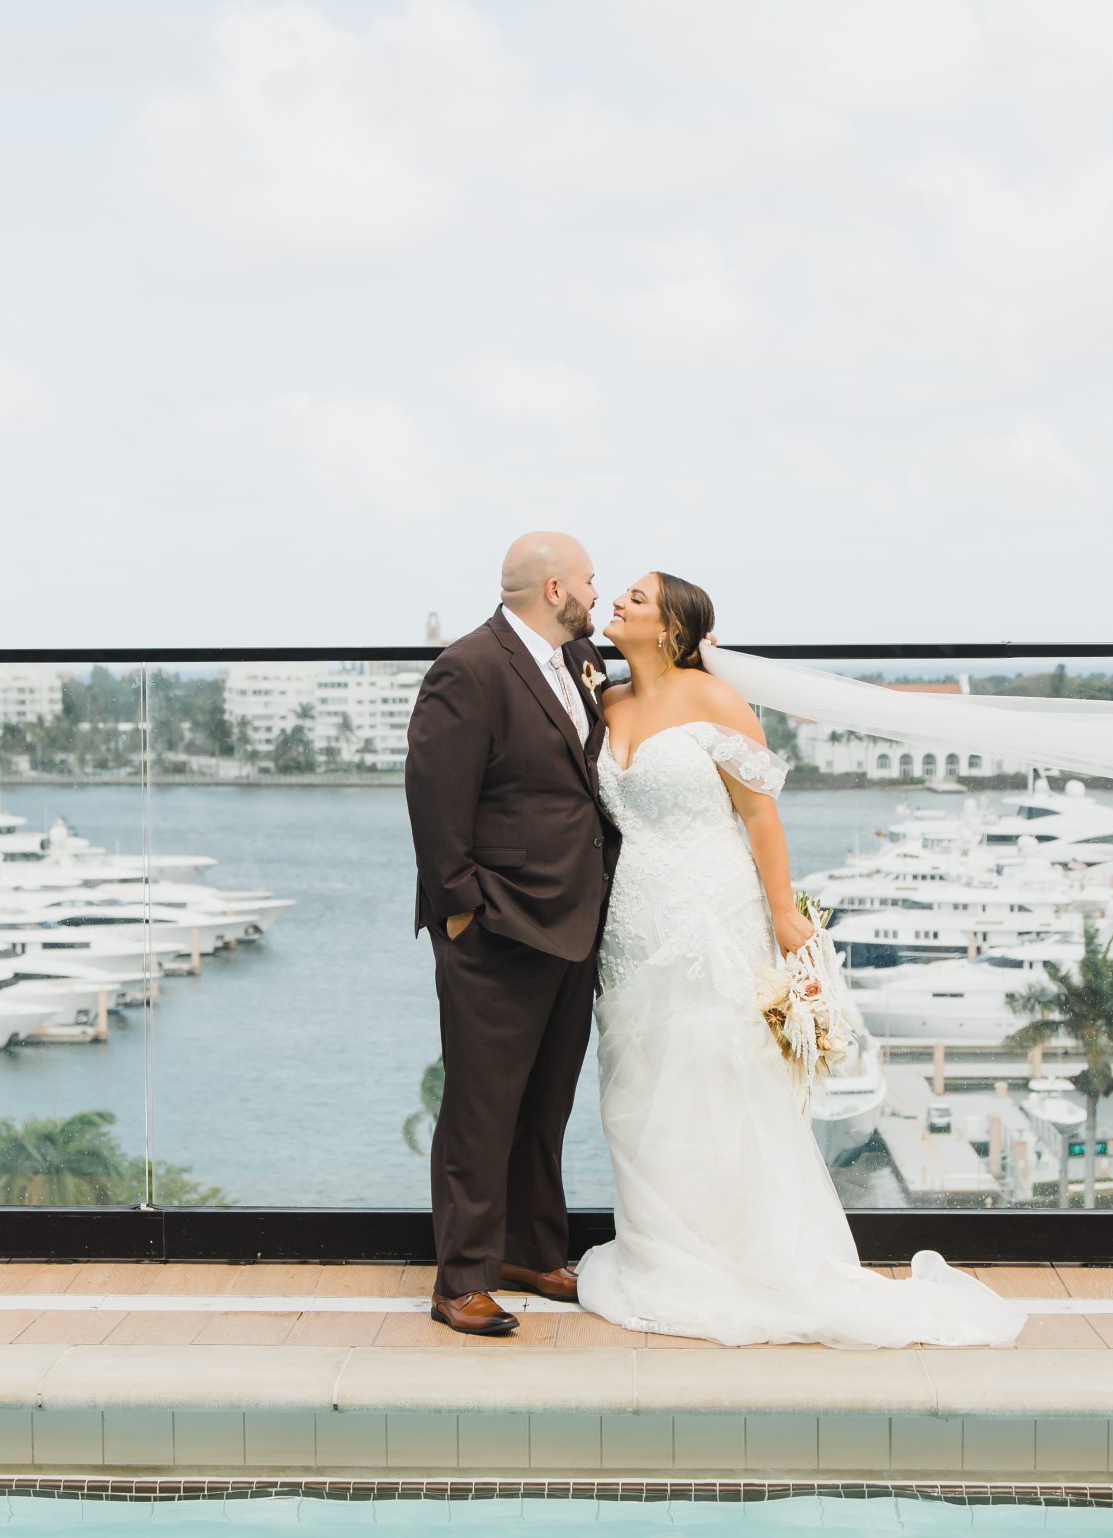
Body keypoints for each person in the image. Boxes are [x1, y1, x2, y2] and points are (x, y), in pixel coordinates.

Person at [573, 571, 1025, 1348]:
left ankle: (747, 1258)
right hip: (633, 921)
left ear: (673, 628)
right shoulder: (606, 701)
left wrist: (785, 914)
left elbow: (760, 815)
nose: (618, 600)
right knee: (640, 1085)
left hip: (714, 911)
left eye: (637, 598)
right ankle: (660, 1250)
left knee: (722, 1080)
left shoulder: (714, 700)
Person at [403, 531, 619, 1335]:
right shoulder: (471, 666)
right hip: (496, 925)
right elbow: (433, 794)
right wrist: (462, 909)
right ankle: (459, 1277)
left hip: (573, 918)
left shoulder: (578, 660)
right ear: (556, 588)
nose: (601, 594)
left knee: (544, 1104)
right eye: (592, 582)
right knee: (479, 1107)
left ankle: (531, 1248)